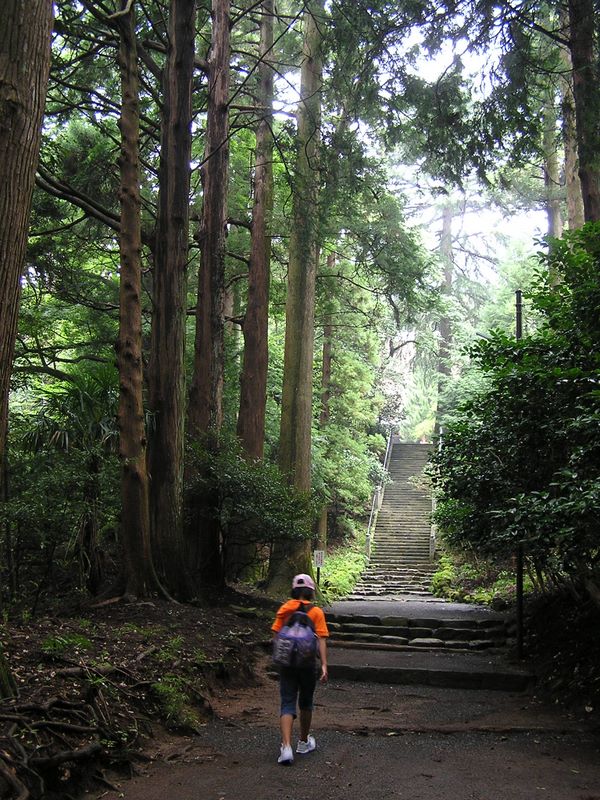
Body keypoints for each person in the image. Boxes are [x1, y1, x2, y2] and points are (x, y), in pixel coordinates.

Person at [271, 573, 329, 765]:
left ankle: (286, 747)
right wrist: (323, 665)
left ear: (294, 590)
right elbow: (321, 639)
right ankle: (303, 742)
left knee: (287, 701)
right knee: (306, 701)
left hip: (287, 663)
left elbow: (276, 635)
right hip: (307, 663)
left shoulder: (285, 609)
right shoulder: (316, 612)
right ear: (311, 592)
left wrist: (279, 657)